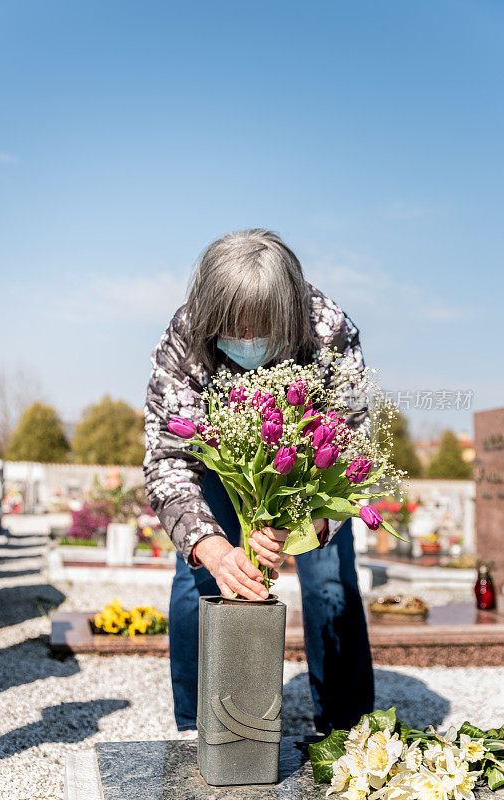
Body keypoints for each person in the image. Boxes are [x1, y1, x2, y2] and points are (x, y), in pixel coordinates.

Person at [143, 228, 374, 737]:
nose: (246, 341)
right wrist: (213, 547)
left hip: (312, 468)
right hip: (225, 465)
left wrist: (310, 525)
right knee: (201, 581)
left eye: (261, 328)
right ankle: (198, 730)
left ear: (288, 312)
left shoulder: (327, 327)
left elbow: (355, 444)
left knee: (329, 581)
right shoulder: (186, 334)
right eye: (232, 328)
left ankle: (347, 732)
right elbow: (167, 459)